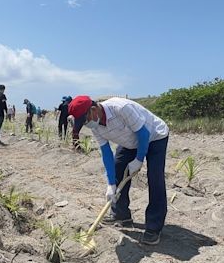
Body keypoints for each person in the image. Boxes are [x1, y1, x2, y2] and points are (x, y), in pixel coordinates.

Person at [68, 95, 169, 245]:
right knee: (117, 169)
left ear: (94, 109)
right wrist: (110, 184)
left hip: (154, 136)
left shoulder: (121, 108)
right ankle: (121, 215)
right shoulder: (96, 126)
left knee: (155, 178)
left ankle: (154, 227)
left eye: (86, 120)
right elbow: (106, 152)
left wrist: (139, 159)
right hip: (129, 142)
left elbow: (143, 133)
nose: (87, 125)